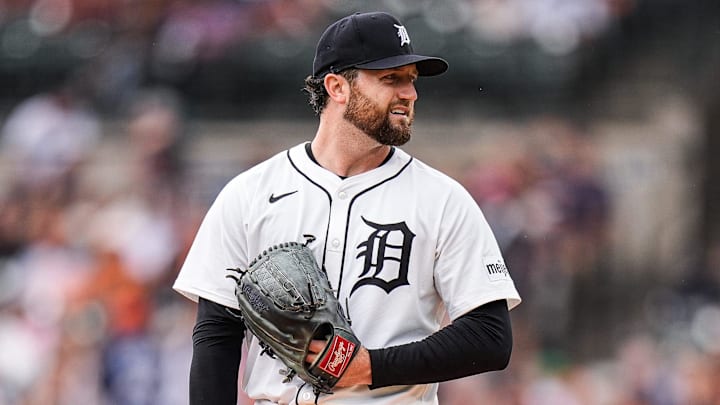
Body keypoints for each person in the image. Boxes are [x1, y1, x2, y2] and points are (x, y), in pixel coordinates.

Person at [173, 11, 522, 405]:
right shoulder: (250, 193)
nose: (410, 94)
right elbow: (217, 335)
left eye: (412, 79)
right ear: (337, 87)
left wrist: (370, 366)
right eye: (391, 79)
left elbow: (490, 338)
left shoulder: (442, 199)